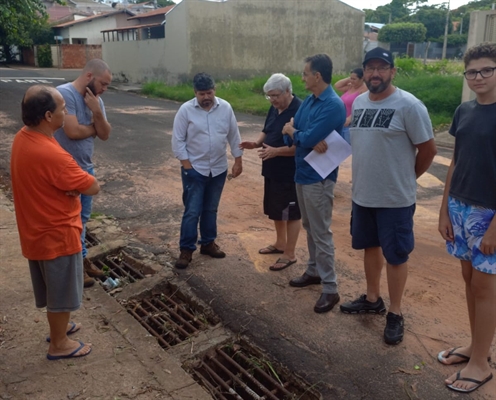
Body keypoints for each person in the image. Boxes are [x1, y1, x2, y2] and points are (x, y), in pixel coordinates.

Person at [339, 47, 437, 345]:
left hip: (395, 199)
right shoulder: (358, 104)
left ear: (393, 71)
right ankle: (372, 298)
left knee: (395, 255)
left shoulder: (409, 105)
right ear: (364, 72)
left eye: (382, 68)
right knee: (370, 247)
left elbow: (428, 150)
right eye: (370, 68)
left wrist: (407, 179)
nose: (375, 74)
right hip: (363, 195)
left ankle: (395, 313)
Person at [11, 85, 100, 360]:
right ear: (48, 116)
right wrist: (73, 187)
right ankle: (59, 343)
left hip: (35, 229)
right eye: (63, 108)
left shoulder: (22, 138)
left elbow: (46, 180)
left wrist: (66, 187)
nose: (66, 112)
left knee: (53, 288)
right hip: (57, 234)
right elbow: (92, 186)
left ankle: (59, 330)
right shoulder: (54, 156)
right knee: (61, 292)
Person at [437, 42, 496, 394]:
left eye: (487, 69)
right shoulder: (465, 111)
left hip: (489, 213)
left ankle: (481, 364)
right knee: (468, 280)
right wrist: (444, 209)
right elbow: (455, 162)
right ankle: (477, 347)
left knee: (485, 287)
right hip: (459, 208)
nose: (479, 76)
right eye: (472, 71)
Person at [282, 54, 346, 313]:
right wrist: (296, 134)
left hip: (319, 177)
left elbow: (302, 134)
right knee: (309, 225)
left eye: (306, 73)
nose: (303, 77)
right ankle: (314, 271)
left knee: (321, 231)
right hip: (302, 172)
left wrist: (297, 134)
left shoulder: (333, 105)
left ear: (317, 76)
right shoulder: (308, 101)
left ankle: (331, 289)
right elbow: (296, 132)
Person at [172, 73, 243, 269]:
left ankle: (208, 243)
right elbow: (177, 141)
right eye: (201, 93)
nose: (206, 97)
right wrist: (188, 167)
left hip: (218, 169)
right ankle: (186, 250)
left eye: (209, 93)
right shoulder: (185, 110)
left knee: (211, 209)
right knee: (192, 211)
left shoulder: (226, 108)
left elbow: (234, 135)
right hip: (194, 169)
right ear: (195, 93)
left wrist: (238, 160)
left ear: (215, 90)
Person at [54, 58, 112, 287]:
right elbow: (72, 131)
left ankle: (82, 260)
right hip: (65, 169)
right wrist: (94, 129)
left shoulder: (95, 100)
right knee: (70, 222)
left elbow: (105, 134)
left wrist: (97, 112)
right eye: (103, 84)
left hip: (85, 168)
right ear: (89, 76)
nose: (104, 89)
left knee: (83, 220)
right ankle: (74, 268)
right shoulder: (63, 94)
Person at [239, 73, 302, 271]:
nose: (272, 100)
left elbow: (302, 145)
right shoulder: (274, 108)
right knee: (276, 208)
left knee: (291, 212)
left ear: (288, 91)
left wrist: (277, 151)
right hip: (272, 168)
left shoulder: (299, 110)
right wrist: (256, 143)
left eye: (275, 95)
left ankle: (290, 253)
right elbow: (267, 129)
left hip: (290, 170)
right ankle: (280, 243)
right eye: (269, 96)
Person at [334, 68, 367, 144]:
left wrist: (350, 118)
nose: (351, 81)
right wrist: (351, 78)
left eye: (354, 79)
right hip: (341, 123)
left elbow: (363, 106)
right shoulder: (350, 87)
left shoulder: (364, 89)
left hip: (351, 124)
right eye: (350, 78)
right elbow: (337, 85)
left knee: (349, 150)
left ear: (362, 78)